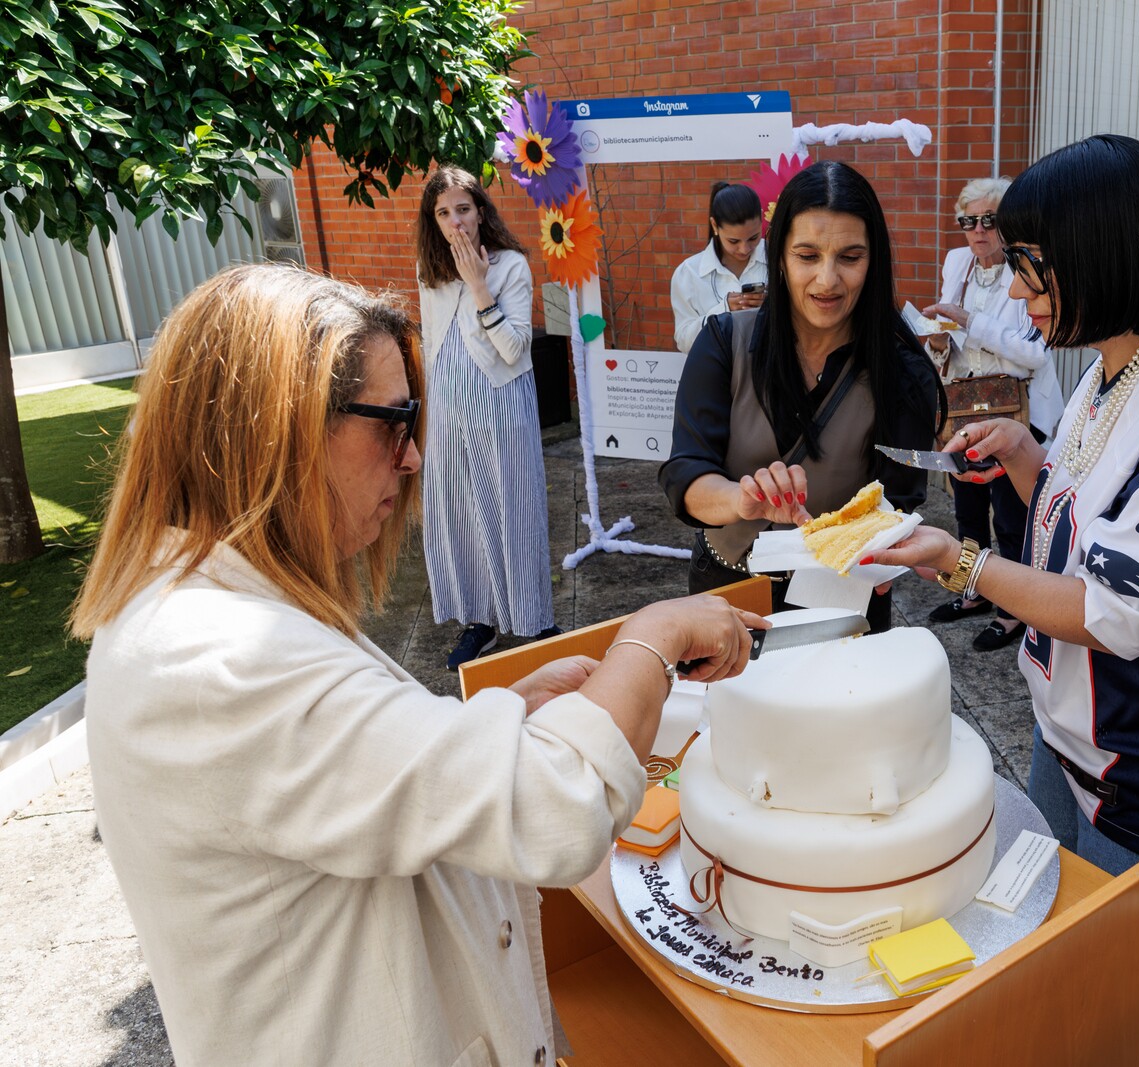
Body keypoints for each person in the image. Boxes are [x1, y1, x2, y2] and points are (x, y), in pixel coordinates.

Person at [70, 264, 768, 1066]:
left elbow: (358, 779)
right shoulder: (219, 660)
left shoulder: (210, 616)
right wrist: (654, 634)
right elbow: (555, 807)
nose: (412, 460)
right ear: (280, 427)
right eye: (395, 421)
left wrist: (501, 718)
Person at [868, 135, 1139, 876]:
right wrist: (1026, 453)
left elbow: (1109, 612)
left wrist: (962, 561)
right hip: (1066, 735)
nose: (1020, 291)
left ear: (1123, 251)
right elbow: (1081, 533)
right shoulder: (1107, 371)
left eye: (1032, 266)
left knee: (1110, 983)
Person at [660, 160, 944, 634]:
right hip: (730, 584)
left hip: (841, 589)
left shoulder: (901, 370)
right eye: (807, 255)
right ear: (780, 257)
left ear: (874, 261)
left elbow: (900, 496)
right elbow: (686, 472)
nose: (827, 281)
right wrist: (741, 499)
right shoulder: (724, 343)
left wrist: (886, 546)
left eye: (850, 257)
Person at [416, 165, 558, 670]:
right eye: (443, 213)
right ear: (433, 221)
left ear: (480, 211)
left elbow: (516, 347)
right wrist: (431, 415)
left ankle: (536, 619)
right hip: (450, 413)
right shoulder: (428, 272)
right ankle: (479, 620)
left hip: (500, 407)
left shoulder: (511, 266)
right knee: (461, 516)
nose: (455, 221)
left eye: (463, 209)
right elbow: (432, 343)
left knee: (512, 508)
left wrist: (480, 286)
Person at [921, 176, 1065, 652]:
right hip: (965, 409)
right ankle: (974, 592)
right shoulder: (957, 263)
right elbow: (953, 344)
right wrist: (939, 343)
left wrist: (967, 323)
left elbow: (1033, 354)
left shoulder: (1026, 272)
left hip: (1015, 413)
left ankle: (1013, 610)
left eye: (989, 220)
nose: (978, 231)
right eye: (969, 221)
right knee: (966, 508)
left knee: (1010, 514)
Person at [670, 181, 768, 354]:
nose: (744, 249)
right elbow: (684, 343)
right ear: (715, 226)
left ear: (761, 218)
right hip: (717, 377)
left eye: (753, 237)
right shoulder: (689, 273)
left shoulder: (780, 259)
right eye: (734, 241)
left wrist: (772, 306)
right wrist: (723, 311)